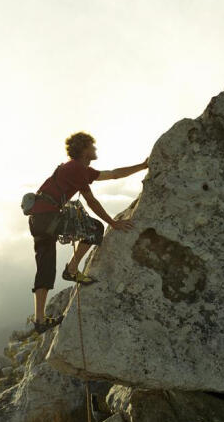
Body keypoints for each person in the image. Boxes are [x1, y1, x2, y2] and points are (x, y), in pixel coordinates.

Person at [27, 131, 149, 334]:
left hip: (37, 220)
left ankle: (40, 320)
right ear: (85, 150)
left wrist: (142, 166)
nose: (95, 149)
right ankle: (72, 270)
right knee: (96, 228)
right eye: (92, 146)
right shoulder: (77, 169)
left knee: (45, 269)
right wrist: (113, 223)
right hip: (49, 218)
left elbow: (113, 174)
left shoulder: (75, 168)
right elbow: (91, 201)